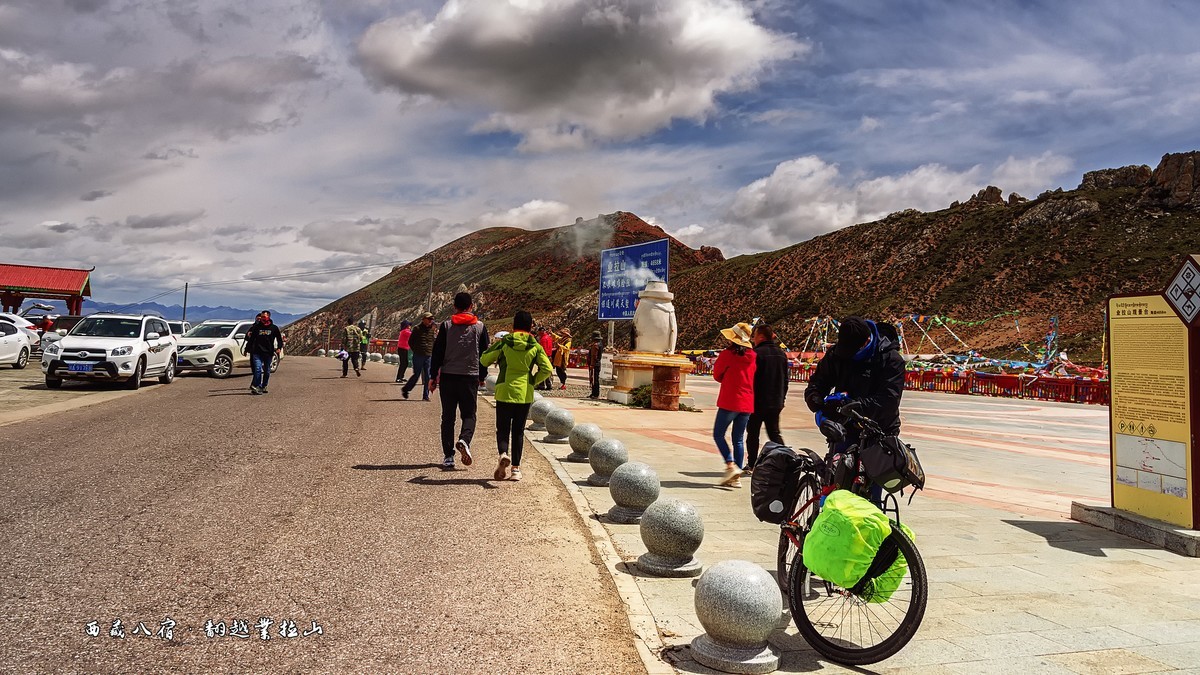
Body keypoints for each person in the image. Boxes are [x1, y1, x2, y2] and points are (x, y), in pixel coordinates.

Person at [804, 316, 905, 502]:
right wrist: (815, 398)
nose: (849, 355)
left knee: (869, 494)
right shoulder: (838, 354)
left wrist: (852, 405)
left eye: (853, 351)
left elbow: (888, 401)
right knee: (837, 483)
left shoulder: (890, 360)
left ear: (867, 341)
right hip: (846, 429)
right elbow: (818, 382)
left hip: (879, 431)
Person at [480, 310, 553, 481]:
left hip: (505, 391)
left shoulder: (505, 341)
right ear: (531, 326)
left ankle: (503, 453)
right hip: (524, 393)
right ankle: (515, 469)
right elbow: (547, 368)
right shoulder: (535, 345)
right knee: (518, 431)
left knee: (503, 429)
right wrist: (533, 380)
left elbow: (484, 360)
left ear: (513, 326)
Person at [430, 292, 489, 470]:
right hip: (470, 377)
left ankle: (448, 456)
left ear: (454, 307)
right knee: (469, 415)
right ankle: (464, 439)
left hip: (448, 377)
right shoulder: (480, 327)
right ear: (471, 306)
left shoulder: (446, 326)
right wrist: (482, 376)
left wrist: (433, 377)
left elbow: (437, 353)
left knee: (447, 417)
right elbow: (484, 354)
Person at [712, 322, 756, 487]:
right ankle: (736, 477)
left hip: (730, 400)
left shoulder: (727, 355)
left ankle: (730, 465)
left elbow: (717, 374)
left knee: (718, 434)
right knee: (738, 438)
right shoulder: (753, 356)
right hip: (747, 402)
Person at [746, 323, 789, 471]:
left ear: (762, 337)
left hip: (757, 401)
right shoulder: (781, 354)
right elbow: (785, 380)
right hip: (775, 401)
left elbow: (750, 379)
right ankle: (786, 460)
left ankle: (752, 464)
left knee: (752, 433)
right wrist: (782, 399)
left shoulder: (755, 354)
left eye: (755, 336)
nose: (753, 339)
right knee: (774, 433)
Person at [244, 310, 283, 395]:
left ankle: (264, 385)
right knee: (257, 369)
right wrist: (246, 349)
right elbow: (251, 339)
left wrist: (279, 348)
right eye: (261, 317)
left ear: (268, 317)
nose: (262, 319)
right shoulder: (256, 328)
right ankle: (255, 385)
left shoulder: (274, 328)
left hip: (268, 353)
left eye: (264, 317)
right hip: (257, 352)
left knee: (267, 371)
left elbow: (279, 339)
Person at [402, 312, 436, 400]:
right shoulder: (417, 329)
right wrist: (416, 350)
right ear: (424, 319)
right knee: (416, 374)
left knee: (428, 376)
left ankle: (425, 395)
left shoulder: (432, 329)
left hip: (428, 356)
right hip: (418, 356)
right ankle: (406, 389)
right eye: (429, 319)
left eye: (431, 319)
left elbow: (433, 341)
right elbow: (410, 342)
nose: (430, 321)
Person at [586, 330, 603, 399]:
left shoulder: (595, 345)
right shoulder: (600, 344)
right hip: (597, 363)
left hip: (594, 364)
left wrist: (592, 365)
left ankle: (595, 394)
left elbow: (594, 356)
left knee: (594, 379)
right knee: (595, 379)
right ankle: (594, 393)